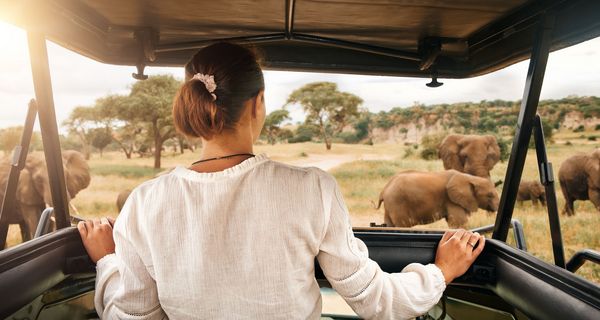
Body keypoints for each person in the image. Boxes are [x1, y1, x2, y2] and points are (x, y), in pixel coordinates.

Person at [78, 42, 485, 320]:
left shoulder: (145, 202)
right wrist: (441, 272)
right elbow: (375, 300)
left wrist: (107, 260)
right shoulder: (312, 188)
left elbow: (131, 314)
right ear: (258, 104)